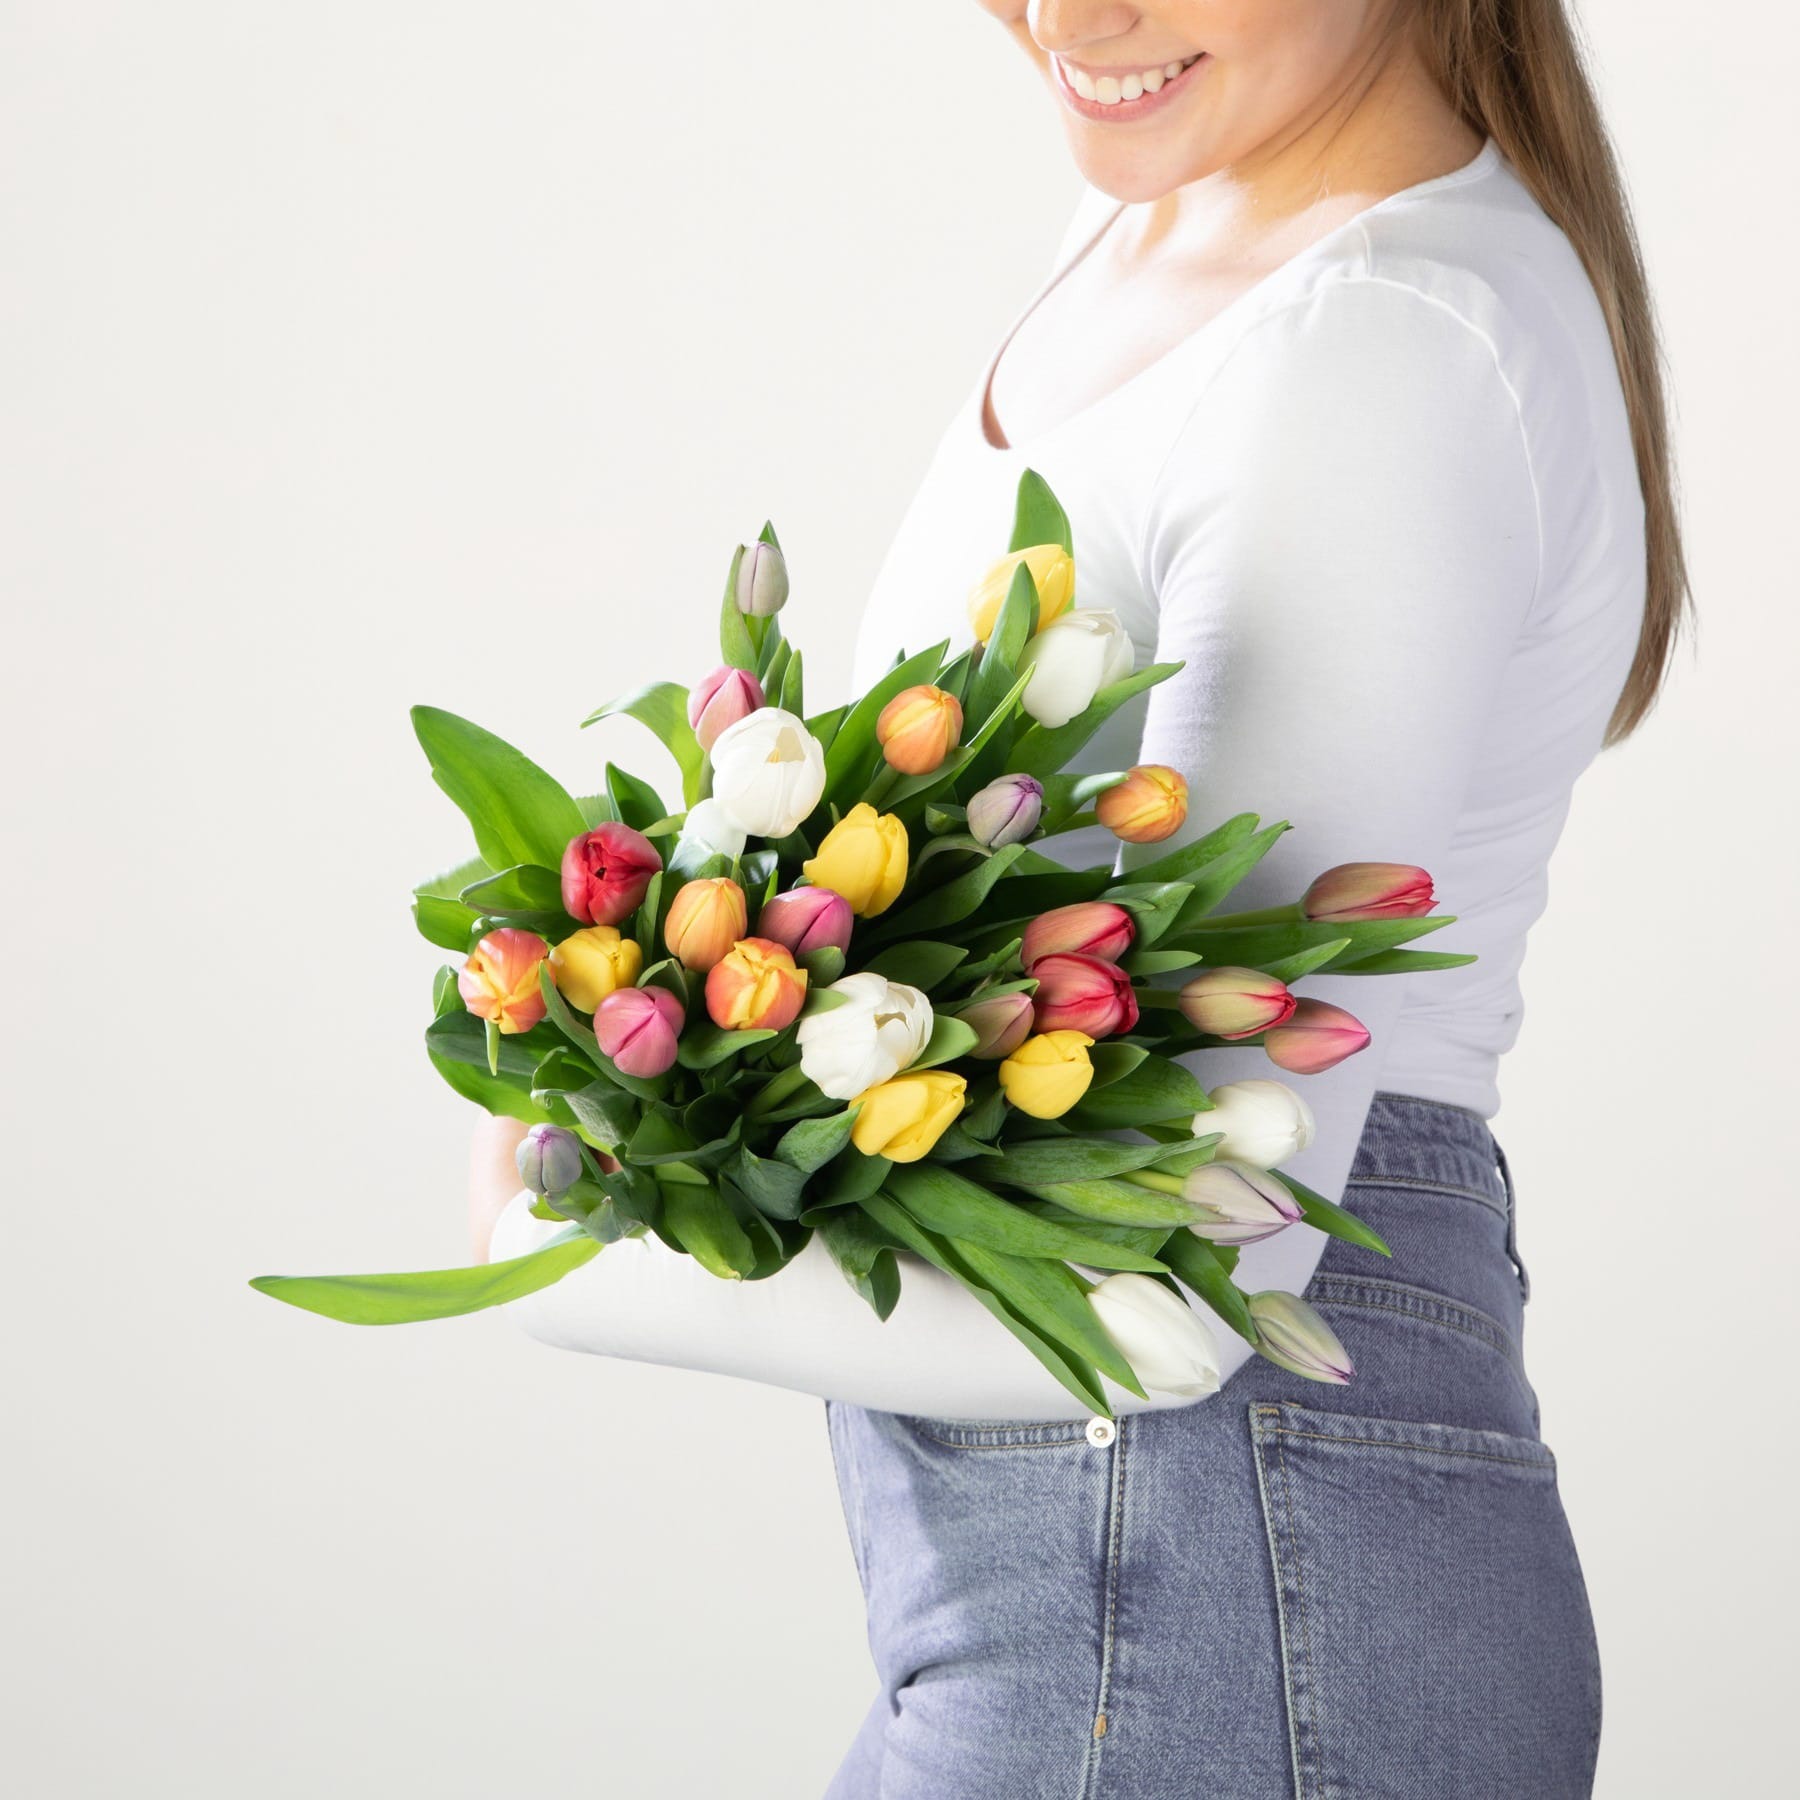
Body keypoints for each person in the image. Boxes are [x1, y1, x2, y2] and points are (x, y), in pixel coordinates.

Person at [470, 2, 1685, 1792]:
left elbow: (1178, 1280)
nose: (1070, 15)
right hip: (1146, 1604)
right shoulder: (1163, 232)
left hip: (1221, 1594)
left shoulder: (1381, 346)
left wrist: (543, 1237)